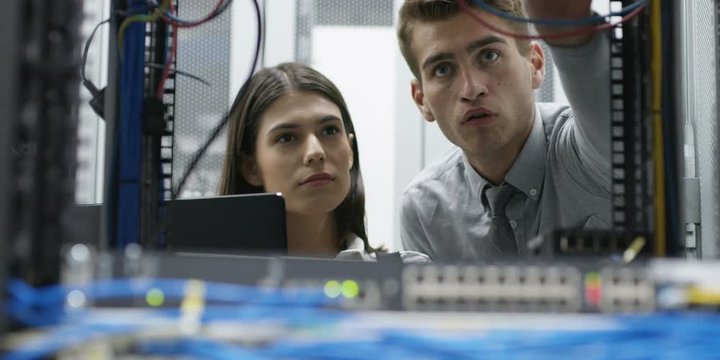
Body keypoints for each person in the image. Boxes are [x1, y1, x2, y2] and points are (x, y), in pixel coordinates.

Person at [397, 0, 612, 261]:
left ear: (534, 63)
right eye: (443, 70)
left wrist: (569, 28)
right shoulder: (425, 210)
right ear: (422, 100)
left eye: (489, 56)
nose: (471, 89)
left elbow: (604, 107)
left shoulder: (588, 152)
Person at [219, 62, 429, 262]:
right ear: (250, 167)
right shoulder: (210, 286)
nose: (316, 152)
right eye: (287, 138)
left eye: (330, 130)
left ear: (350, 151)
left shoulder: (409, 277)